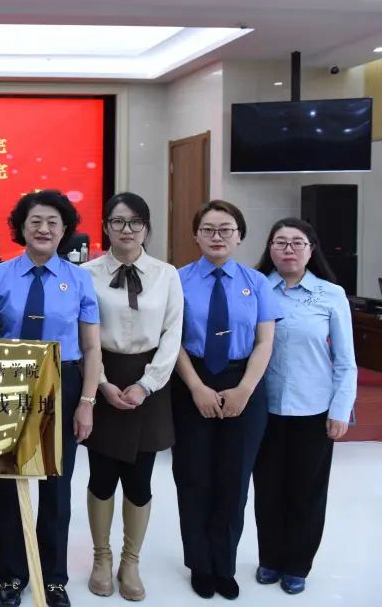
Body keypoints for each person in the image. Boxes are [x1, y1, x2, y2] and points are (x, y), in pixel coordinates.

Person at [0, 190, 101, 607]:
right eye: (35, 221)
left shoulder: (80, 279)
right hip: (10, 383)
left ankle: (53, 577)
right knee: (9, 483)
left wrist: (86, 401)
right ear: (21, 227)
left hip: (62, 382)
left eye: (53, 222)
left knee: (56, 484)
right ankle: (11, 575)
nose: (44, 228)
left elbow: (91, 347)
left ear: (65, 230)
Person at [171, 200, 279, 600]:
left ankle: (224, 564)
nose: (217, 237)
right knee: (194, 477)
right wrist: (196, 387)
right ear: (196, 235)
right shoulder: (177, 280)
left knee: (234, 480)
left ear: (239, 236)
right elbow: (172, 339)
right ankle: (200, 564)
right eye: (209, 229)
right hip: (191, 379)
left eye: (226, 229)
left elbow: (265, 341)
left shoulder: (257, 282)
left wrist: (245, 390)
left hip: (243, 381)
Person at [81, 193, 183, 601]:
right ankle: (101, 557)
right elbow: (82, 335)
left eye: (135, 221)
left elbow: (172, 334)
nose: (127, 229)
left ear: (146, 227)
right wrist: (101, 384)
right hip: (101, 377)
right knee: (102, 477)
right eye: (118, 221)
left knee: (140, 480)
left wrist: (147, 384)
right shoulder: (86, 273)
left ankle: (131, 561)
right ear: (106, 226)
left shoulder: (166, 274)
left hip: (150, 383)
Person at [252, 217, 356, 595]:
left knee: (306, 492)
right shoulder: (257, 288)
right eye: (280, 242)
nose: (289, 249)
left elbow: (345, 360)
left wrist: (340, 410)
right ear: (270, 249)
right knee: (267, 489)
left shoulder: (331, 294)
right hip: (263, 410)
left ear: (311, 250)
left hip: (314, 410)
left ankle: (297, 565)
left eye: (298, 242)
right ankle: (270, 558)